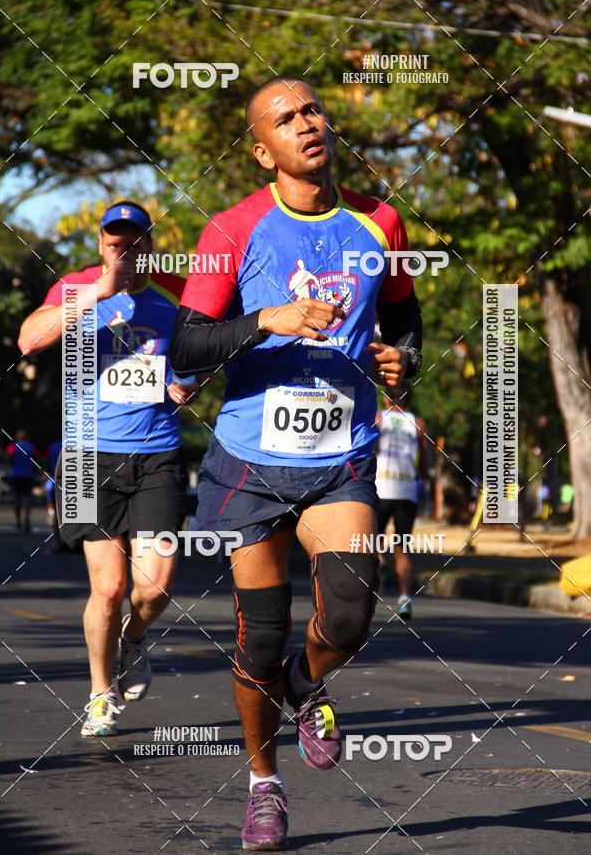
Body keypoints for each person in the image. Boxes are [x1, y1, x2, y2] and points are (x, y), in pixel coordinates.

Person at [170, 78, 422, 850]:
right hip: (250, 461)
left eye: (312, 109)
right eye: (285, 119)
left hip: (340, 454)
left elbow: (407, 319)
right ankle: (264, 786)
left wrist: (400, 361)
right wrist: (265, 319)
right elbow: (186, 346)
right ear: (262, 148)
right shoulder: (234, 227)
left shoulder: (380, 223)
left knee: (348, 612)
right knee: (260, 635)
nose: (306, 123)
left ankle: (307, 686)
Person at [18, 201, 199, 737]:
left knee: (155, 586)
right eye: (114, 240)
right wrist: (95, 293)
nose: (124, 249)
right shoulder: (75, 286)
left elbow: (207, 350)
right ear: (100, 243)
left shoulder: (174, 291)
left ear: (150, 247)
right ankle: (100, 692)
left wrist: (192, 384)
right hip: (83, 457)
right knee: (109, 587)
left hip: (158, 452)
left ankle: (134, 639)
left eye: (135, 241)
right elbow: (30, 338)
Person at [376, 383, 429, 620]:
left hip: (380, 489)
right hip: (406, 491)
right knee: (402, 547)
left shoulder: (379, 418)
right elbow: (425, 460)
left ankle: (377, 573)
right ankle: (404, 599)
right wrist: (421, 480)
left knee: (372, 541)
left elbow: (368, 448)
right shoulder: (418, 424)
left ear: (387, 400)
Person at [6, 429, 40, 533]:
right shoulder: (31, 447)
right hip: (27, 474)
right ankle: (27, 519)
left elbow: (9, 458)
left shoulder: (13, 446)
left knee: (17, 498)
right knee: (27, 498)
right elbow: (36, 458)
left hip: (16, 474)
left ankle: (18, 522)